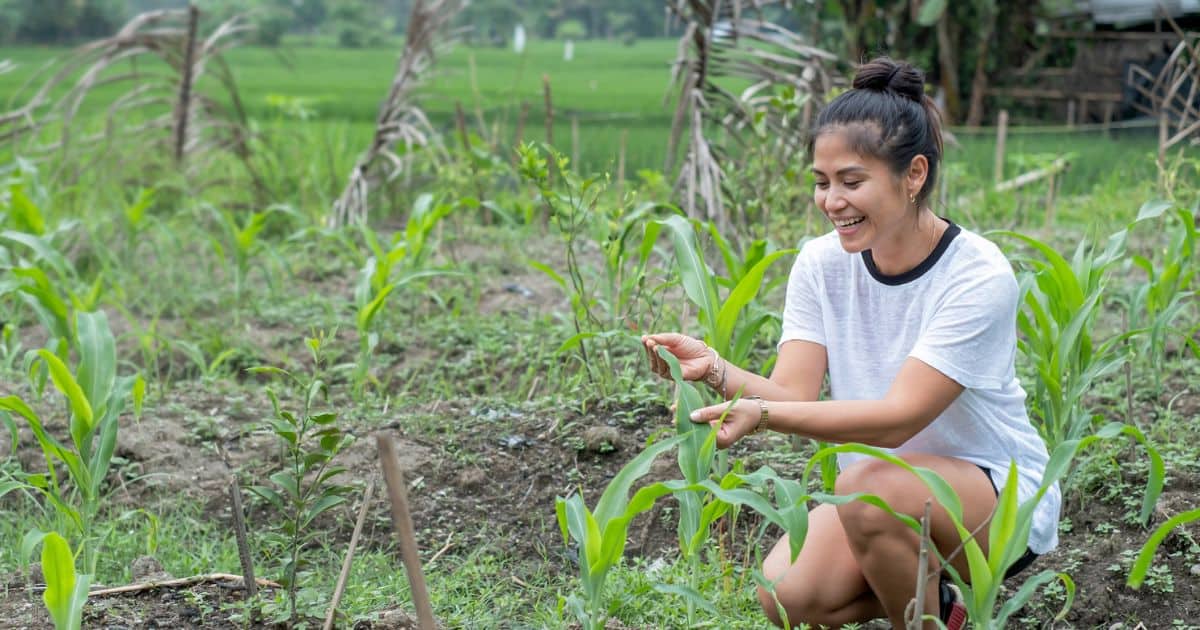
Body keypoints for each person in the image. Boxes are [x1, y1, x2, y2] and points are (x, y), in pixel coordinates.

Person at [642, 57, 1060, 629]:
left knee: (864, 483)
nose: (832, 200)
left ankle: (922, 624)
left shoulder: (977, 274)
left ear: (913, 175)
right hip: (881, 495)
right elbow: (793, 391)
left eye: (852, 181)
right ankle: (944, 608)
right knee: (788, 595)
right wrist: (716, 369)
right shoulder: (820, 263)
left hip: (995, 498)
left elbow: (898, 419)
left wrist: (764, 416)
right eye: (822, 182)